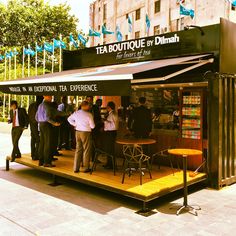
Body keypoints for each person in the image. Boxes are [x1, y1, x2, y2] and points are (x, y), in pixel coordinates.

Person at [68, 101, 95, 173]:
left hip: (77, 132)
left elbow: (69, 119)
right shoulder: (89, 114)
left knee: (78, 149)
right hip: (86, 132)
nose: (89, 107)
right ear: (85, 106)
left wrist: (75, 124)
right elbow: (93, 126)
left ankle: (76, 168)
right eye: (88, 106)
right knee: (86, 149)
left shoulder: (76, 113)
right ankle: (86, 167)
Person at [35, 96, 61, 168]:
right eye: (51, 97)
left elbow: (36, 117)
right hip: (47, 125)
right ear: (48, 97)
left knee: (42, 143)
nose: (52, 98)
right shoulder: (47, 105)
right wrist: (54, 123)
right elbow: (47, 118)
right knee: (48, 143)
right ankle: (47, 162)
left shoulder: (40, 105)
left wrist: (41, 122)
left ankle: (41, 161)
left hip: (41, 124)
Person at [103, 101, 119, 169]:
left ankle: (111, 165)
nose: (106, 107)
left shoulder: (113, 114)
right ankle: (109, 163)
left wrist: (106, 121)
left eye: (107, 106)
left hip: (111, 132)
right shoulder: (111, 113)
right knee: (108, 149)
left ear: (109, 107)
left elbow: (115, 125)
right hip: (110, 132)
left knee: (110, 149)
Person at [28, 96, 44, 160]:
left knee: (33, 139)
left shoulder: (31, 105)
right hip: (37, 124)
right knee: (38, 140)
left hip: (32, 124)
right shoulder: (40, 106)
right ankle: (36, 155)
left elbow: (29, 114)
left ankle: (33, 154)